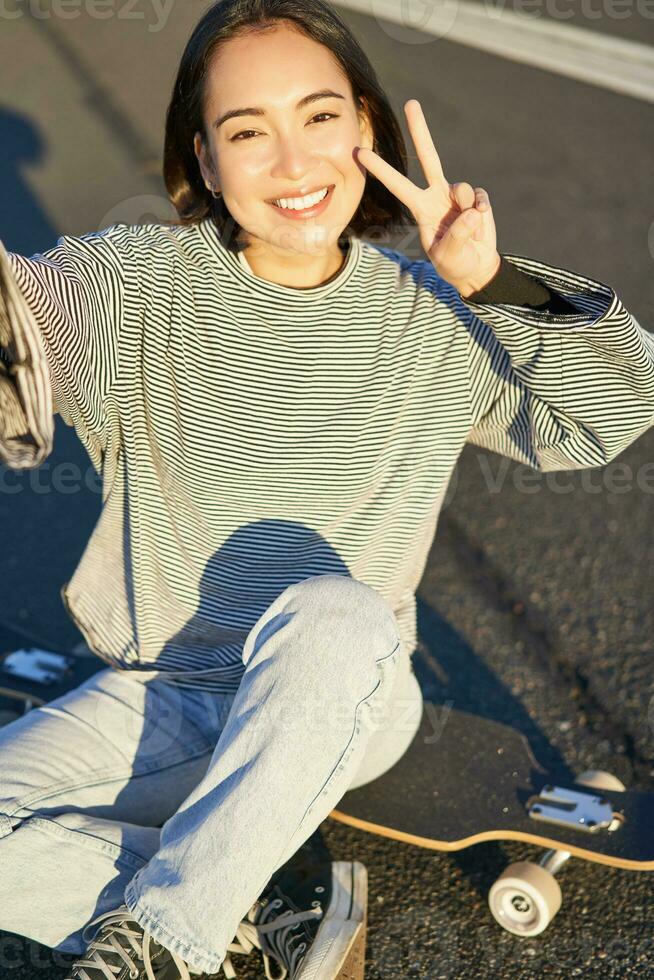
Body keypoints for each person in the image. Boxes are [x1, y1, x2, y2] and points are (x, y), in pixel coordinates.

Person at [1, 1, 652, 978]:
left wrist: (495, 283)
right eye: (247, 132)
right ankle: (225, 926)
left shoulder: (433, 309)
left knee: (334, 609)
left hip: (343, 682)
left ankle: (175, 931)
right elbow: (17, 319)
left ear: (367, 128)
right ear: (205, 159)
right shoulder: (132, 286)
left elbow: (605, 412)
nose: (293, 164)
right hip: (170, 690)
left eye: (319, 118)